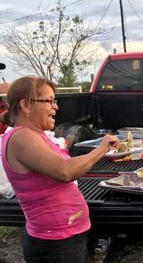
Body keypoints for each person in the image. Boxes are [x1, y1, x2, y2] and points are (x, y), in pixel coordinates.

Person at [1, 76, 119, 262]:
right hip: (55, 243)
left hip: (63, 238)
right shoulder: (21, 136)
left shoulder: (34, 135)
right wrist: (103, 148)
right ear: (26, 106)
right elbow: (66, 171)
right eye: (49, 101)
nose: (55, 106)